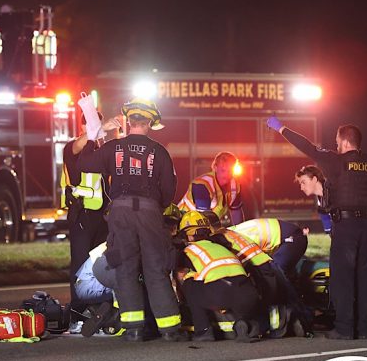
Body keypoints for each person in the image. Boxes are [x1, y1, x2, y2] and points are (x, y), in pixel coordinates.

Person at [268, 118, 367, 340]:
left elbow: (307, 147)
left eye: (338, 142)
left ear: (345, 142)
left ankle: (344, 329)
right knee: (366, 279)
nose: (336, 146)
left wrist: (282, 129)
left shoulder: (335, 162)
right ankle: (365, 329)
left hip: (346, 227)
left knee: (343, 278)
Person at [79, 97, 187, 342]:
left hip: (121, 213)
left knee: (125, 268)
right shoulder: (159, 152)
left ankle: (134, 328)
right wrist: (153, 208)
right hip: (150, 212)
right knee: (156, 267)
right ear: (149, 123)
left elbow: (85, 164)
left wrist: (93, 139)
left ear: (128, 121)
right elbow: (170, 189)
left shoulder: (112, 147)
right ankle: (169, 329)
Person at [295, 164, 367, 328]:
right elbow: (331, 229)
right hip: (353, 237)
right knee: (345, 275)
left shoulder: (336, 192)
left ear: (315, 179)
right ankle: (342, 315)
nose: (301, 187)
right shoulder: (321, 202)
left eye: (303, 182)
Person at [61, 105, 120, 332]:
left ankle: (99, 311)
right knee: (79, 265)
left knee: (99, 266)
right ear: (83, 126)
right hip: (82, 216)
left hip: (101, 218)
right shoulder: (72, 148)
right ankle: (77, 315)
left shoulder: (101, 151)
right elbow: (80, 144)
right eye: (92, 124)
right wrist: (96, 129)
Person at [174, 211, 261, 342]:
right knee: (227, 286)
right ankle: (243, 323)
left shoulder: (188, 251)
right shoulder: (221, 247)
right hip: (248, 294)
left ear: (189, 236)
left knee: (188, 281)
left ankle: (203, 330)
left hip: (221, 294)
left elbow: (177, 272)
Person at [227, 218, 308, 283]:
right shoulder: (229, 233)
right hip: (290, 236)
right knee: (281, 276)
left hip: (292, 238)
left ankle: (293, 303)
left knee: (276, 275)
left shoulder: (235, 242)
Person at [179, 151, 244, 225]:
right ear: (215, 168)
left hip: (200, 226)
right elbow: (204, 218)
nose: (226, 174)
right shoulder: (202, 184)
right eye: (223, 170)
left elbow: (236, 215)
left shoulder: (235, 186)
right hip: (182, 225)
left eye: (230, 171)